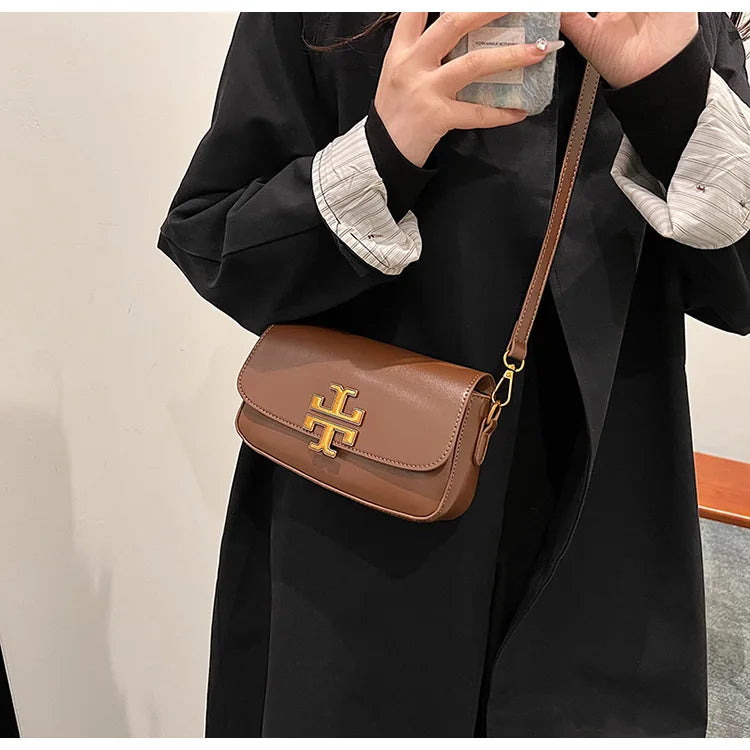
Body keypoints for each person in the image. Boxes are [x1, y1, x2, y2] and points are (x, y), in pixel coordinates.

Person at [157, 12, 750, 738]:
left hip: (602, 541)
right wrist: (384, 150)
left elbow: (740, 290)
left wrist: (670, 94)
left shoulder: (672, 17)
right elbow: (213, 242)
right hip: (357, 528)